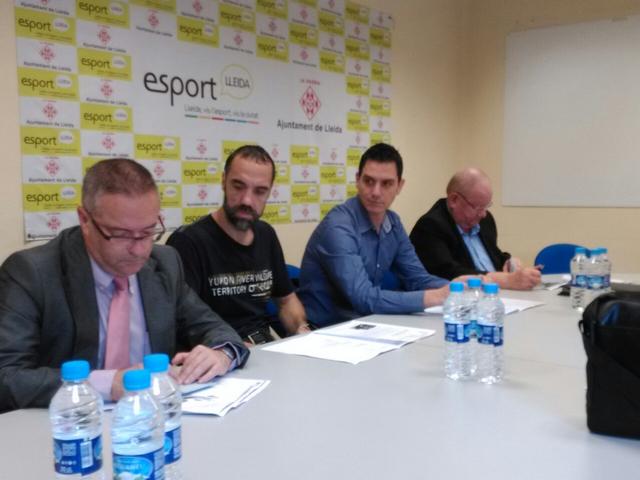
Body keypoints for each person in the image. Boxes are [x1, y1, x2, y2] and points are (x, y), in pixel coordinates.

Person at [0, 158, 249, 412]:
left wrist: (221, 354)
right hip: (72, 423)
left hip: (155, 417)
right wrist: (108, 384)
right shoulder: (33, 272)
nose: (139, 250)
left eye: (148, 232)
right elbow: (7, 377)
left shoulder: (164, 263)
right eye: (121, 234)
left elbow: (216, 328)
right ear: (85, 219)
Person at [297, 143, 451, 328]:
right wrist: (436, 296)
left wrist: (460, 288)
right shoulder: (338, 226)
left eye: (386, 184)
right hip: (325, 330)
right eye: (369, 181)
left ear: (399, 186)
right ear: (357, 180)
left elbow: (418, 279)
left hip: (366, 325)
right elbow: (363, 298)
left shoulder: (393, 223)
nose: (376, 192)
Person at [167, 145, 309, 345]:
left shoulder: (266, 234)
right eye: (238, 186)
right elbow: (183, 324)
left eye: (260, 191)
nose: (247, 200)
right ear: (223, 181)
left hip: (263, 347)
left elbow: (286, 301)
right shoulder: (188, 242)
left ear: (270, 192)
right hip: (218, 350)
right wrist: (234, 350)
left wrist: (302, 330)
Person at [409, 167, 541, 290]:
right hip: (464, 298)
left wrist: (509, 261)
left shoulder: (485, 221)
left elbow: (493, 255)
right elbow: (448, 273)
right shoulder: (430, 226)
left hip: (497, 295)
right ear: (454, 200)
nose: (483, 214)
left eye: (486, 206)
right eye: (478, 207)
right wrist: (506, 280)